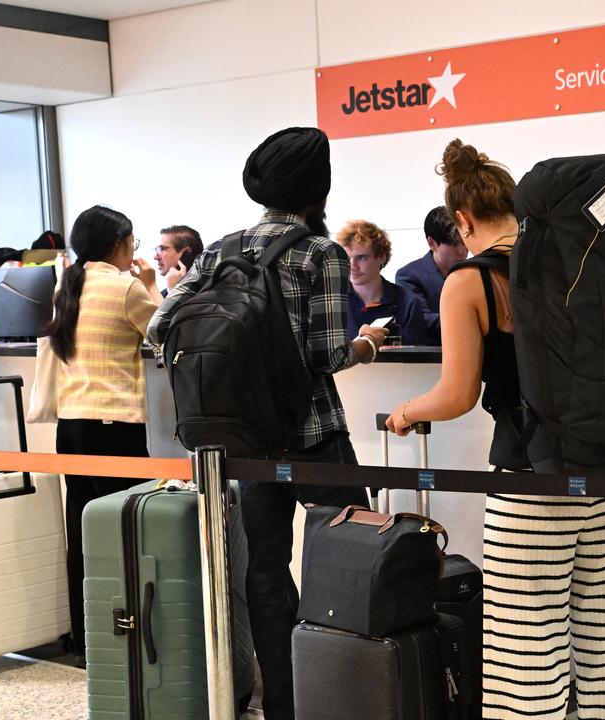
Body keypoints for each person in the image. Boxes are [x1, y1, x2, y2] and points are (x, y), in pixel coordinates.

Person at [387, 139, 605, 720]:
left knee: (527, 647)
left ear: (462, 220)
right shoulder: (579, 258)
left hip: (532, 479)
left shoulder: (471, 281)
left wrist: (406, 413)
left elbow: (456, 395)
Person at [147, 126, 386, 720]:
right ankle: (348, 695)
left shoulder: (221, 248)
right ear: (319, 189)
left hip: (245, 440)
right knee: (352, 558)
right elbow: (328, 355)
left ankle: (284, 703)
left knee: (264, 573)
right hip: (314, 435)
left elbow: (158, 329)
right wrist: (369, 344)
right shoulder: (319, 252)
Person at [46, 205, 162, 664]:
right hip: (113, 424)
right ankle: (127, 634)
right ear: (118, 244)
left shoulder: (69, 283)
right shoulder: (125, 286)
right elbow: (165, 333)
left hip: (71, 425)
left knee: (84, 530)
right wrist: (152, 283)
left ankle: (87, 637)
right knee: (124, 529)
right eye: (131, 242)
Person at [336, 219, 429, 346]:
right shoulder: (333, 300)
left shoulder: (408, 302)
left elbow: (414, 362)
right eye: (346, 258)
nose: (352, 266)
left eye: (362, 258)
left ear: (382, 257)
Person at [394, 206, 469, 344]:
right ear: (432, 243)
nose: (462, 251)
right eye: (454, 244)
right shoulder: (409, 276)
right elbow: (422, 319)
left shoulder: (472, 272)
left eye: (465, 242)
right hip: (432, 356)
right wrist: (471, 318)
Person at [154, 224, 203, 295]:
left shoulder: (207, 292)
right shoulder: (163, 294)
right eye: (157, 250)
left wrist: (174, 292)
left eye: (162, 249)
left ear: (186, 253)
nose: (156, 257)